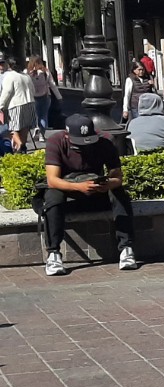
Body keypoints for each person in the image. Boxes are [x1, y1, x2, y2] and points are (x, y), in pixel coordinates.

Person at [43, 114, 138, 275]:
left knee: (119, 193)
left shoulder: (105, 141)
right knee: (53, 196)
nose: (84, 147)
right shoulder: (56, 142)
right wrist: (78, 187)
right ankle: (53, 254)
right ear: (67, 135)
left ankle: (126, 249)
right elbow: (52, 180)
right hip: (69, 191)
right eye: (79, 144)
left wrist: (108, 184)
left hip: (96, 190)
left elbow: (117, 177)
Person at [0, 58, 38, 153]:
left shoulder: (10, 76)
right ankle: (23, 146)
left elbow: (7, 92)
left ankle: (19, 144)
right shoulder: (26, 76)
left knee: (12, 127)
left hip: (16, 104)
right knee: (24, 126)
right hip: (29, 103)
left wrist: (1, 105)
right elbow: (33, 90)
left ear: (9, 66)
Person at [27, 58, 60, 143]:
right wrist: (59, 97)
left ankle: (36, 127)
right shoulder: (46, 72)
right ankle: (42, 135)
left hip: (33, 97)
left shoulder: (27, 73)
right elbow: (52, 85)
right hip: (45, 96)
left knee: (35, 115)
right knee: (44, 116)